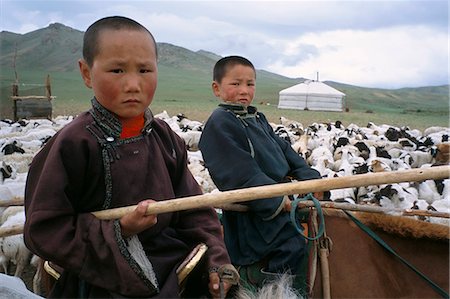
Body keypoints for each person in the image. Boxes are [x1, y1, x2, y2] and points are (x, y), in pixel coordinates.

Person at [24, 16, 235, 298]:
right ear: (86, 73)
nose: (133, 84)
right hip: (99, 278)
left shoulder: (166, 138)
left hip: (172, 265)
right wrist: (119, 229)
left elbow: (195, 208)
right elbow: (43, 229)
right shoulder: (73, 144)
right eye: (117, 70)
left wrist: (217, 260)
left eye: (145, 70)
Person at [198, 56, 323, 289]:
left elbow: (285, 150)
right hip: (253, 214)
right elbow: (241, 175)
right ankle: (271, 290)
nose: (244, 90)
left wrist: (310, 180)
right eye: (235, 84)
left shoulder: (256, 118)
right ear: (217, 88)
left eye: (250, 84)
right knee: (292, 244)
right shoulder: (220, 124)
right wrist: (278, 199)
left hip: (281, 197)